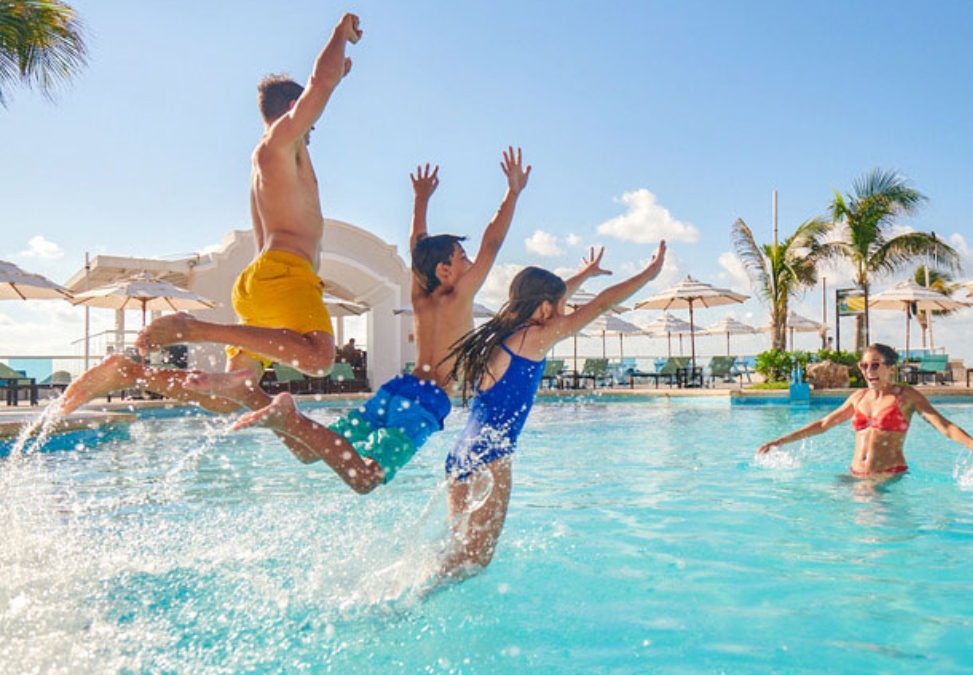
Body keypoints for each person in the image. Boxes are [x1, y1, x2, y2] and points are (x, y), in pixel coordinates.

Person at [56, 13, 363, 418]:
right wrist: (339, 35)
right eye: (308, 113)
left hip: (264, 282)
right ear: (293, 108)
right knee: (320, 359)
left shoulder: (278, 160)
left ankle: (128, 373)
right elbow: (319, 85)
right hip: (285, 275)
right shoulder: (277, 144)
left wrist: (337, 77)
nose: (315, 124)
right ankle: (198, 328)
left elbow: (325, 86)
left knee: (227, 399)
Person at [230, 148, 534, 493]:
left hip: (397, 388)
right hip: (427, 400)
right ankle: (287, 415)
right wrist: (512, 192)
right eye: (463, 257)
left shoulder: (421, 297)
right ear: (444, 270)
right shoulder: (458, 297)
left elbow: (416, 246)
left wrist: (420, 200)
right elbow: (493, 243)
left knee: (307, 452)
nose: (470, 263)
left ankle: (288, 419)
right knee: (366, 478)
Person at [438, 241, 667, 579]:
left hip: (461, 453)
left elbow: (555, 296)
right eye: (561, 307)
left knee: (458, 548)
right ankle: (404, 607)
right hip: (491, 456)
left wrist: (584, 275)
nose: (565, 314)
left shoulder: (505, 330)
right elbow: (604, 303)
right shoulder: (537, 336)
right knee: (474, 559)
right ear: (545, 308)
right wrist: (650, 274)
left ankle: (412, 587)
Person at [756, 343, 973, 477]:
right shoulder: (857, 398)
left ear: (890, 368)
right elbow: (823, 424)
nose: (868, 371)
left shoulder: (907, 398)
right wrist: (780, 441)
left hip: (888, 478)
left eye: (875, 365)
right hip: (855, 475)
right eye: (863, 366)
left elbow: (946, 427)